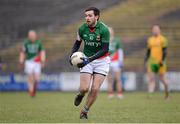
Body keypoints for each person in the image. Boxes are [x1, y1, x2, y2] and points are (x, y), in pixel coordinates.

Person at [69, 7, 110, 119]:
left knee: (95, 88)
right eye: (86, 15)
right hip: (86, 59)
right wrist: (71, 55)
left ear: (96, 17)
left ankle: (85, 111)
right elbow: (77, 43)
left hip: (102, 61)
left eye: (90, 15)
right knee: (84, 88)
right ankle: (81, 94)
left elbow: (105, 49)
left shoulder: (104, 30)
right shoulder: (82, 28)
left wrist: (90, 59)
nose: (87, 18)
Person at [144, 25, 169, 99]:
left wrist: (162, 60)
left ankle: (167, 94)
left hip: (160, 62)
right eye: (154, 29)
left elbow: (165, 51)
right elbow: (148, 51)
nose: (155, 30)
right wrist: (146, 60)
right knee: (151, 79)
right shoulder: (150, 40)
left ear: (159, 30)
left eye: (156, 29)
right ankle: (150, 95)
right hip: (152, 62)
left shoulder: (163, 39)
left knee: (163, 79)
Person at [19, 30, 46, 97]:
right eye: (30, 36)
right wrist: (21, 60)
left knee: (37, 78)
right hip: (29, 62)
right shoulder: (26, 43)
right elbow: (22, 52)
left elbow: (42, 52)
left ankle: (34, 88)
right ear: (29, 36)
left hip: (37, 62)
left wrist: (43, 60)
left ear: (35, 36)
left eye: (33, 36)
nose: (32, 37)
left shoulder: (38, 43)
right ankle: (31, 92)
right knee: (30, 77)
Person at [108, 27, 124, 99]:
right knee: (109, 79)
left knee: (118, 78)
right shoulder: (105, 40)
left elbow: (120, 51)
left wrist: (121, 61)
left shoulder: (117, 40)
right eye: (108, 31)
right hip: (107, 61)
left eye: (110, 31)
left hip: (116, 62)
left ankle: (119, 93)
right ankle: (110, 93)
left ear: (113, 32)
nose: (109, 32)